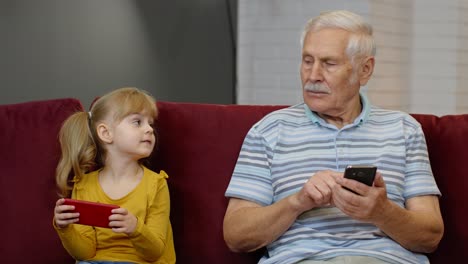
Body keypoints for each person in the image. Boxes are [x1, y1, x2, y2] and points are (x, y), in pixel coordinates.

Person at [223, 10, 443, 264]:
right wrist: (298, 201)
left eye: (329, 63)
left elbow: (431, 236)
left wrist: (382, 212)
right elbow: (235, 236)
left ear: (365, 70)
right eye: (307, 61)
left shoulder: (404, 129)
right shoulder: (268, 131)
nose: (313, 75)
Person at [53, 87, 175, 264]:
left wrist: (135, 228)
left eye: (150, 123)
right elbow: (85, 253)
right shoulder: (84, 185)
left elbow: (155, 252)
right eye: (137, 122)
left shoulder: (156, 184)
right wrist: (65, 228)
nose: (149, 129)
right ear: (106, 133)